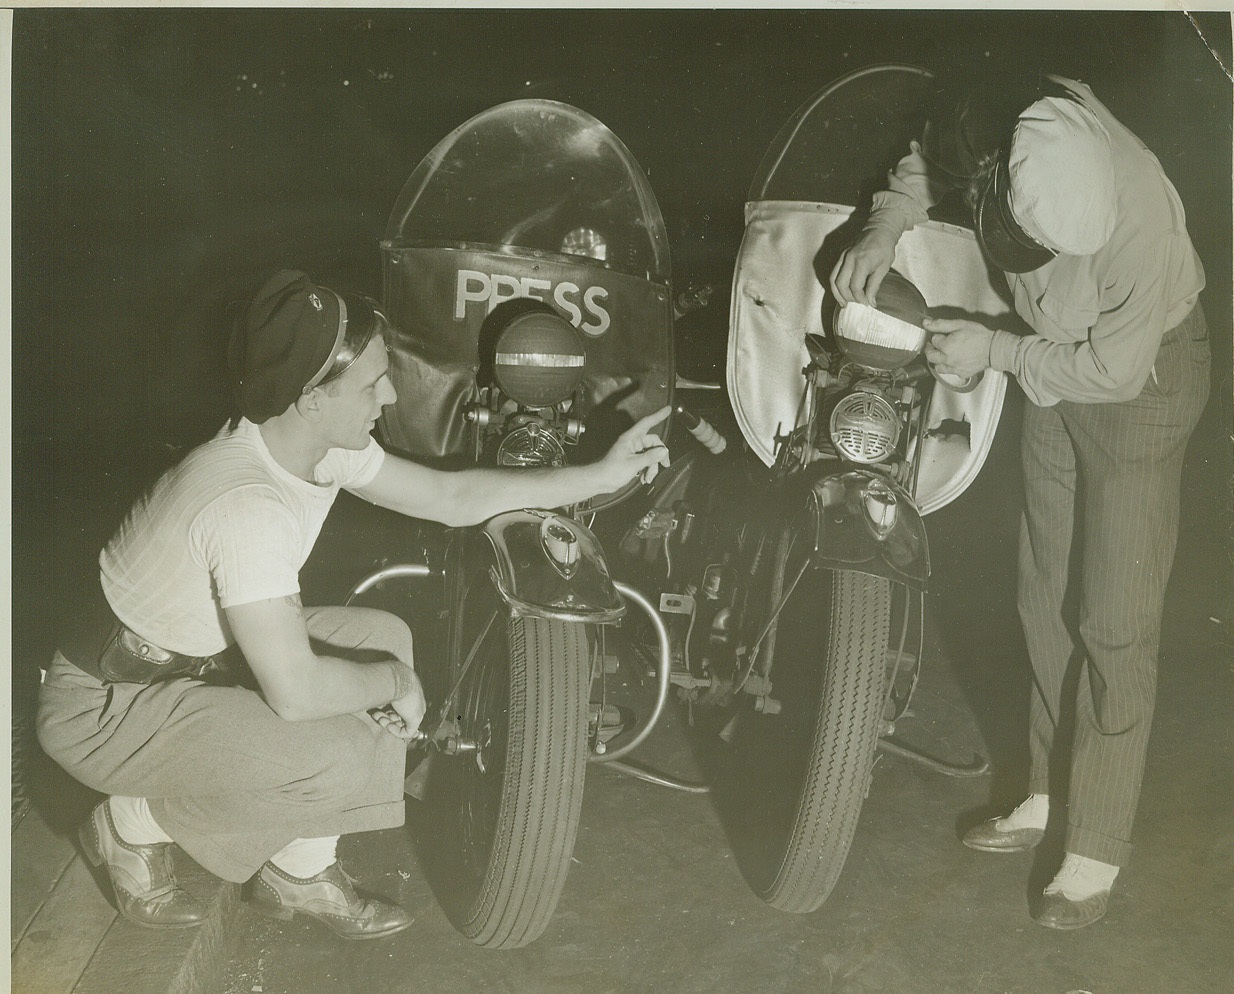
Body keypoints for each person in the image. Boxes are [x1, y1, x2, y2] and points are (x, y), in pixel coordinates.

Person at [37, 269, 670, 940]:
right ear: (312, 397)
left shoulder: (311, 448)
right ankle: (130, 822)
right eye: (372, 383)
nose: (390, 394)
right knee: (339, 744)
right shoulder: (246, 504)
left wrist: (600, 474)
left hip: (191, 664)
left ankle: (300, 869)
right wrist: (398, 684)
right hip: (107, 709)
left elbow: (449, 499)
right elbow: (298, 693)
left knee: (384, 635)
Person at [830, 73, 1210, 929]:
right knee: (1042, 594)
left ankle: (1098, 843)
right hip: (1049, 366)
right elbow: (932, 164)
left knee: (1115, 618)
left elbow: (1111, 371)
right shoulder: (1008, 126)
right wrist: (884, 227)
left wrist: (997, 352)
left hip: (1138, 387)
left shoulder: (1140, 218)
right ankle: (1043, 793)